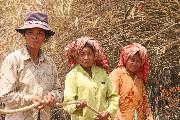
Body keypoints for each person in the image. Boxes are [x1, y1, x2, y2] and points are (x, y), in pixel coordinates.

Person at [0, 11, 62, 120]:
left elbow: (59, 91)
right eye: (30, 32)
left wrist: (52, 97)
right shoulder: (13, 60)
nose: (35, 37)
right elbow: (5, 96)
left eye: (39, 33)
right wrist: (30, 99)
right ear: (24, 34)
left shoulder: (49, 63)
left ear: (45, 37)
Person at [63, 37, 119, 120]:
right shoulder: (72, 76)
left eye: (89, 54)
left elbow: (113, 96)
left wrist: (108, 112)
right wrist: (77, 105)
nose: (86, 57)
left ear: (94, 55)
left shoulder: (102, 73)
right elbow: (67, 103)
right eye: (82, 54)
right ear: (77, 56)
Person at [109, 43, 153, 120]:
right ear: (126, 59)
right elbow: (112, 98)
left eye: (138, 61)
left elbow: (145, 100)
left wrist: (149, 116)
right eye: (132, 60)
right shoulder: (117, 74)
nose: (135, 63)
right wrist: (119, 118)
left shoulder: (139, 79)